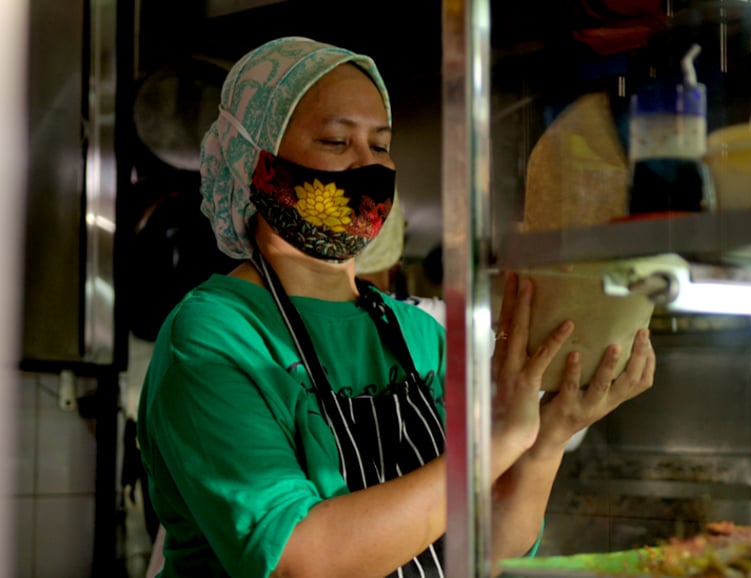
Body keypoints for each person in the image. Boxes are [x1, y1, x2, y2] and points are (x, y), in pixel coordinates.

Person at [137, 36, 657, 578]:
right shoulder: (213, 334)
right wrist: (496, 439)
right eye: (338, 142)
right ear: (256, 161)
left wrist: (546, 438)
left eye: (380, 145)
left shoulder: (414, 334)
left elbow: (485, 548)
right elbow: (301, 561)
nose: (369, 166)